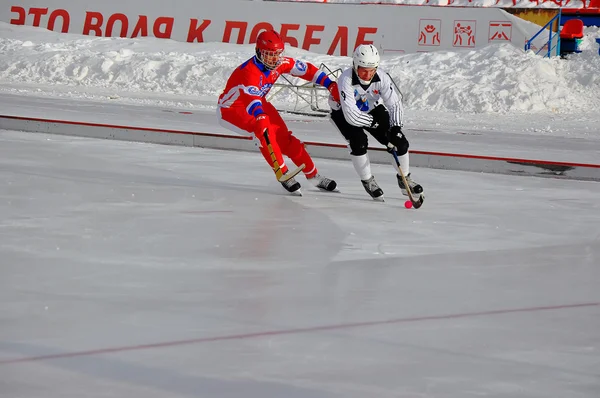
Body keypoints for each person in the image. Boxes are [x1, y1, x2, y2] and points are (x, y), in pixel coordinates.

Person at [217, 29, 339, 195]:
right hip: (233, 109)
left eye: (278, 54)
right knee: (263, 130)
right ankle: (282, 172)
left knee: (285, 138)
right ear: (259, 52)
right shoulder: (248, 72)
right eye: (270, 54)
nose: (275, 59)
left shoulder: (279, 63)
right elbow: (251, 100)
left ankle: (313, 175)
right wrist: (260, 116)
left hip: (258, 102)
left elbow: (307, 70)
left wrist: (330, 84)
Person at [329, 44, 423, 201]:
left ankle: (404, 178)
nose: (368, 75)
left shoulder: (382, 77)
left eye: (372, 70)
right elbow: (351, 115)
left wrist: (396, 127)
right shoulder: (345, 79)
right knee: (358, 142)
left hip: (371, 107)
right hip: (343, 112)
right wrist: (373, 123)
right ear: (355, 65)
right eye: (363, 70)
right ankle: (368, 180)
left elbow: (395, 104)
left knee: (399, 141)